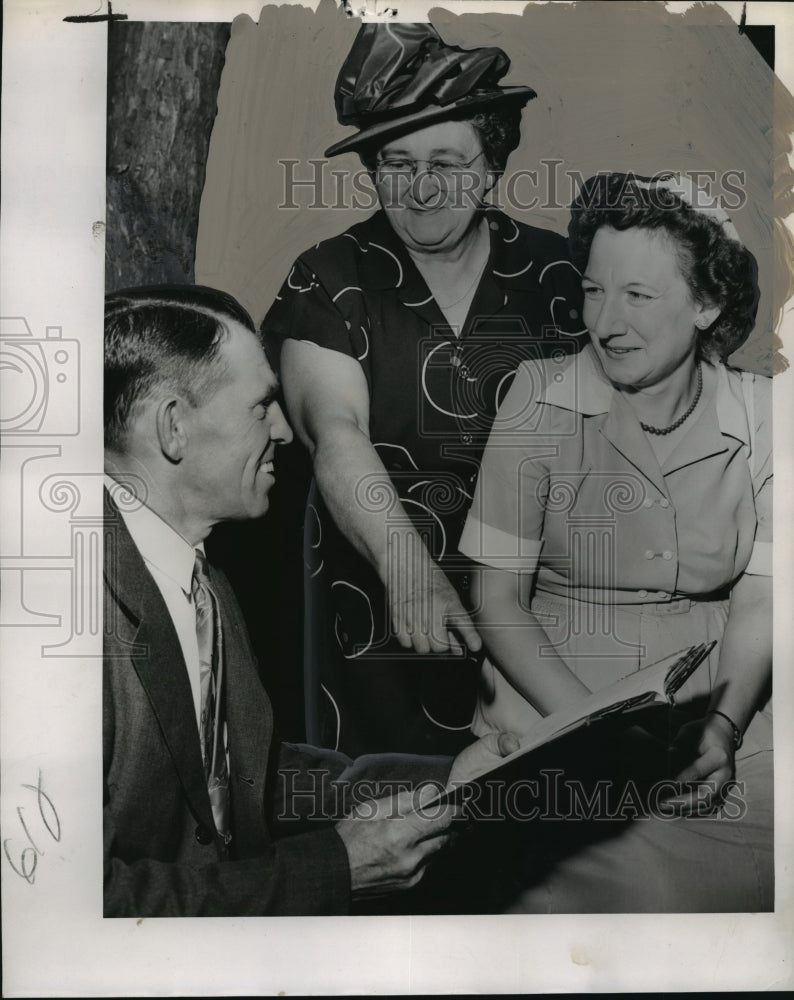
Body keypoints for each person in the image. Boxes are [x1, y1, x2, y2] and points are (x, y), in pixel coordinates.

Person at [102, 284, 516, 917]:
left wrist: (451, 777)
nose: (283, 431)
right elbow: (73, 910)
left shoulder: (201, 577)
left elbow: (250, 778)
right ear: (174, 426)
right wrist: (332, 869)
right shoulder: (69, 617)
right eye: (261, 405)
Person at [263, 22, 585, 756]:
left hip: (545, 600)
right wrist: (406, 567)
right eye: (398, 163)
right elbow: (333, 431)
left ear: (492, 164)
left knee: (546, 822)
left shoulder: (563, 275)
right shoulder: (331, 276)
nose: (424, 186)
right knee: (386, 809)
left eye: (448, 160)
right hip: (376, 594)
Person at [458, 172, 773, 911]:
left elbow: (764, 594)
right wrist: (596, 735)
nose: (606, 321)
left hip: (721, 703)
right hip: (551, 700)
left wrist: (722, 731)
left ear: (708, 304)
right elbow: (497, 601)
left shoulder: (769, 416)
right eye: (595, 291)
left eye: (638, 295)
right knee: (628, 892)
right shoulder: (536, 398)